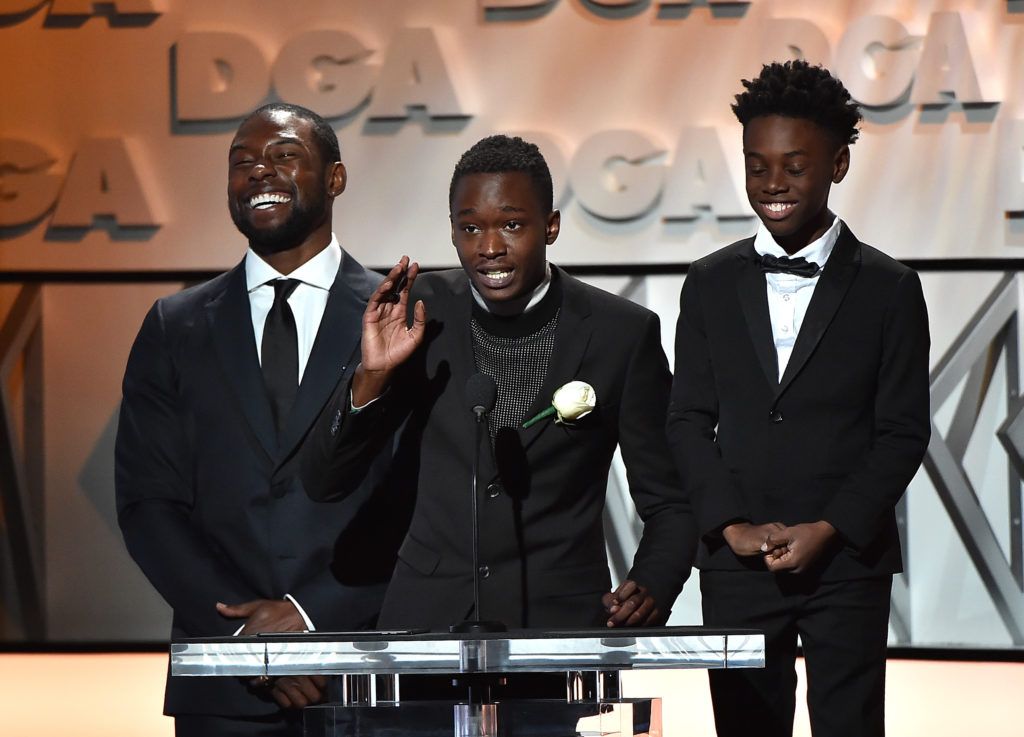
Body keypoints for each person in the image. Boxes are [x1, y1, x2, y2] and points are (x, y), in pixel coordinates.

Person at [303, 134, 695, 633]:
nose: (489, 248)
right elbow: (323, 480)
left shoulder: (621, 332)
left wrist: (655, 582)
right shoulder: (419, 310)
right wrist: (371, 378)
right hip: (426, 622)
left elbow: (669, 497)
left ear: (550, 226)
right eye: (470, 228)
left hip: (555, 623)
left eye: (512, 225)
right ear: (452, 232)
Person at [115, 103, 400, 737]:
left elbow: (417, 498)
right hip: (224, 690)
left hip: (365, 676)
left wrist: (312, 614)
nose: (258, 173)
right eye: (241, 163)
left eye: (284, 156)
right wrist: (243, 639)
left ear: (335, 178)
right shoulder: (174, 326)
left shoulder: (397, 316)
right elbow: (147, 504)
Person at [666, 60, 930, 737]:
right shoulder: (708, 283)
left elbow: (902, 431)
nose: (772, 184)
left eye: (793, 166)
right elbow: (689, 421)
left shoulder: (889, 288)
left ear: (838, 163)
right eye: (757, 166)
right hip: (737, 562)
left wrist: (829, 527)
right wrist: (732, 527)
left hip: (845, 561)